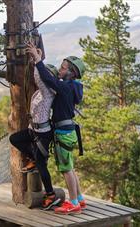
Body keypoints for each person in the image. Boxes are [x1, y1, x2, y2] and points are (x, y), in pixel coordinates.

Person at [26, 42, 86, 215]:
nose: (59, 70)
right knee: (70, 167)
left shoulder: (65, 88)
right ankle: (80, 199)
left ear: (71, 73)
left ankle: (73, 203)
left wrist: (37, 59)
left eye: (63, 68)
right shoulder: (73, 87)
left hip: (63, 132)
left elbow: (48, 79)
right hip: (69, 131)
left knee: (66, 169)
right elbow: (52, 79)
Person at [9, 62, 60, 210]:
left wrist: (36, 61)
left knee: (42, 165)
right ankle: (33, 158)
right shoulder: (38, 93)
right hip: (34, 130)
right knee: (15, 139)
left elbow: (38, 78)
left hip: (43, 134)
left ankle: (50, 194)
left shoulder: (48, 92)